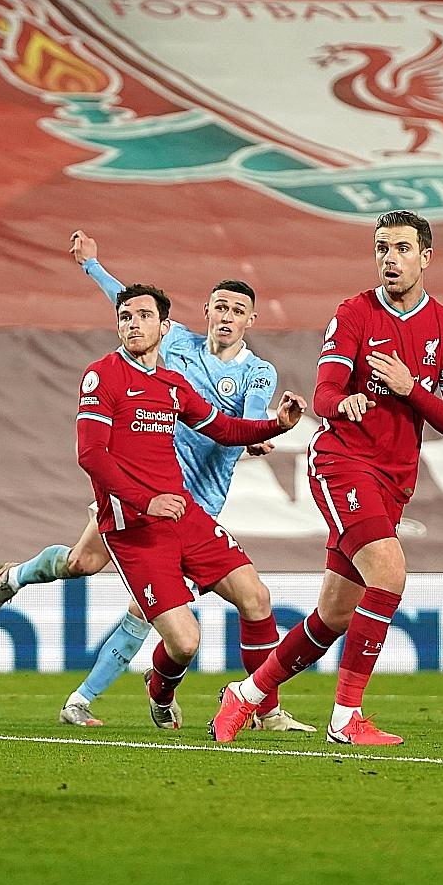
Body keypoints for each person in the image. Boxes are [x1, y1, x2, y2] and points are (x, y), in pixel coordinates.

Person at [0, 231, 313, 733]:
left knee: (187, 598)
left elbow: (234, 422)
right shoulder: (165, 346)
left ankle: (251, 706)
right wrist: (92, 265)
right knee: (95, 573)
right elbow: (127, 304)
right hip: (138, 499)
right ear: (205, 311)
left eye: (237, 310)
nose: (225, 315)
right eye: (219, 306)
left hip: (193, 503)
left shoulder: (256, 372)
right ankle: (40, 616)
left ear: (249, 320)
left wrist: (268, 430)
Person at [210, 209, 443, 745]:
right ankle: (345, 718)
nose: (390, 259)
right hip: (340, 462)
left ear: (426, 257)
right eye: (382, 248)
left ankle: (248, 695)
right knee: (390, 573)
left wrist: (410, 389)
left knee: (333, 614)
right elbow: (325, 394)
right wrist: (345, 401)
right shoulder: (354, 313)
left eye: (402, 249)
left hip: (395, 478)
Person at [74, 281, 306, 733]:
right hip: (135, 524)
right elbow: (91, 456)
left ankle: (263, 708)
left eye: (144, 317)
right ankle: (153, 690)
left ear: (165, 327)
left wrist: (274, 426)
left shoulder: (173, 385)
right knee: (184, 641)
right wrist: (147, 500)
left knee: (256, 597)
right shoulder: (101, 375)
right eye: (125, 317)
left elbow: (224, 429)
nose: (133, 323)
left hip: (186, 513)